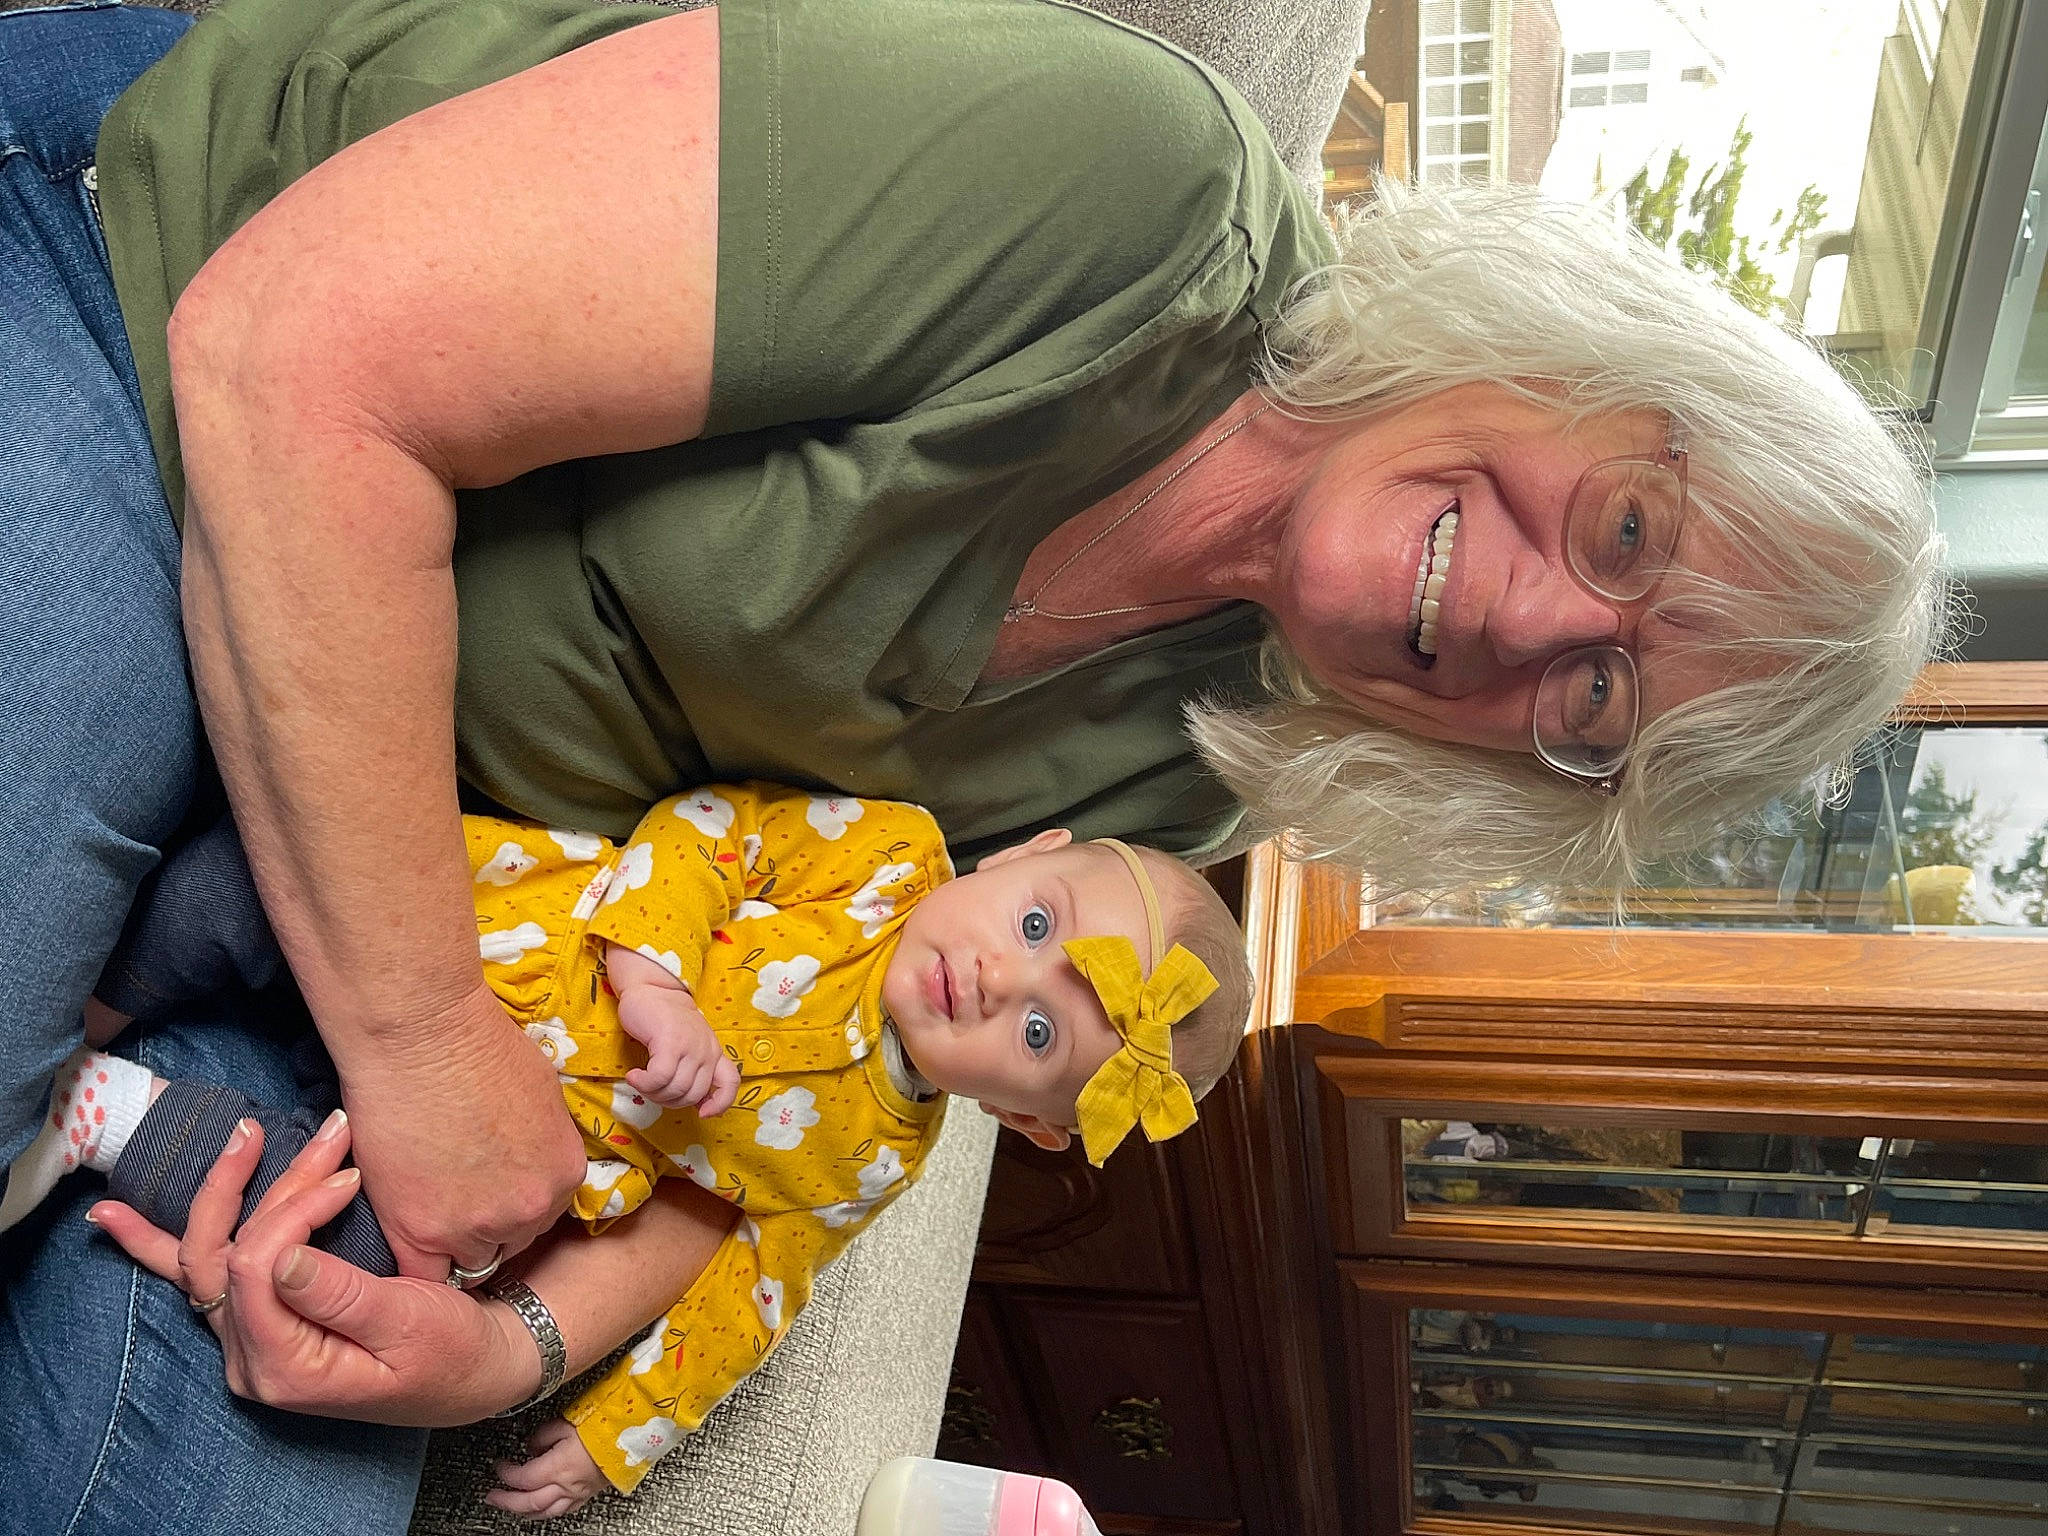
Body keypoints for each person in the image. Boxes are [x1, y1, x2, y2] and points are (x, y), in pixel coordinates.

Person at [0, 0, 1947, 1529]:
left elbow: (813, 1110)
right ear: (1574, 361)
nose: (1539, 628)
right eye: (1626, 535)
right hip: (150, 331)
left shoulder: (1175, 804)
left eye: (1601, 709)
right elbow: (301, 352)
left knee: (192, 1474)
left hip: (390, 882)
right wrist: (422, 1041)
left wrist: (502, 1351)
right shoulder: (1130, 195)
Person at [8, 781, 1250, 1516]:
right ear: (1027, 854)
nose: (992, 978)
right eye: (1034, 923)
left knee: (350, 1259)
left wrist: (620, 1442)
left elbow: (753, 1293)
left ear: (1027, 1123)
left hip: (472, 1169)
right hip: (470, 932)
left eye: (1038, 1031)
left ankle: (105, 1114)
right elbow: (711, 828)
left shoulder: (878, 1159)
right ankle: (65, 1030)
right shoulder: (888, 857)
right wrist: (654, 982)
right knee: (226, 890)